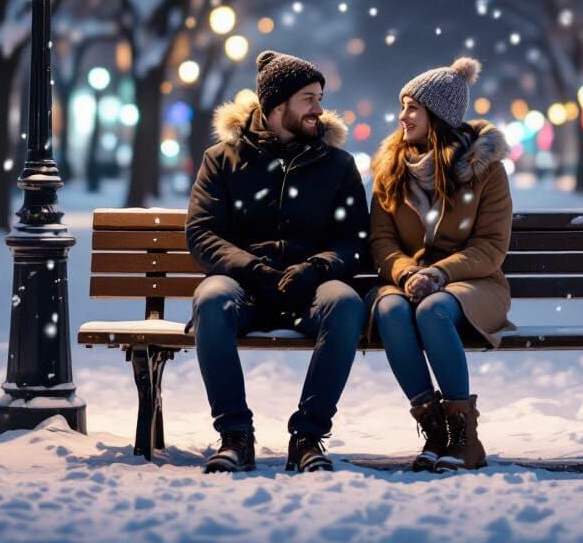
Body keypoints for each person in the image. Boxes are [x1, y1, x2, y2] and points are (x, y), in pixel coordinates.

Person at [186, 50, 369, 474]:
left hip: (310, 288)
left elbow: (356, 239)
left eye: (320, 98)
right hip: (244, 285)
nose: (319, 110)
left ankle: (307, 436)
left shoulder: (337, 165)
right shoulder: (222, 160)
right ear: (277, 105)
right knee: (211, 299)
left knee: (345, 303)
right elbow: (202, 233)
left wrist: (318, 267)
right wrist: (251, 269)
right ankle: (235, 435)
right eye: (309, 99)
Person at [368, 57, 514, 472]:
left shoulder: (485, 171)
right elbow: (382, 240)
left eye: (413, 107)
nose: (403, 116)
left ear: (439, 115)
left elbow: (490, 247)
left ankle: (466, 438)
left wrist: (440, 273)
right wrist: (406, 272)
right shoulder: (389, 168)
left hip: (472, 283)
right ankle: (434, 430)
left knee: (434, 310)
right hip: (407, 281)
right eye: (403, 106)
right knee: (389, 310)